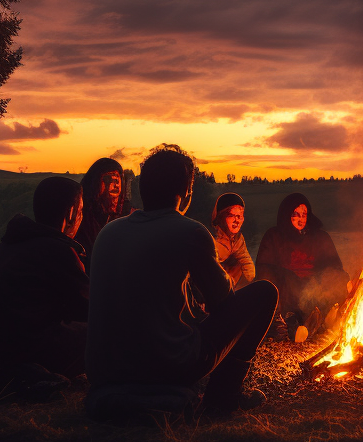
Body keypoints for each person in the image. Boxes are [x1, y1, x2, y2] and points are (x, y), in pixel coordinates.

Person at [86, 145, 278, 418]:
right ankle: (224, 397)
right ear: (186, 192)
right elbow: (223, 301)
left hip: (107, 370)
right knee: (265, 293)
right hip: (168, 366)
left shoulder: (109, 232)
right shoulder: (189, 231)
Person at [0, 176, 89, 395]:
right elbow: (89, 308)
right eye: (81, 210)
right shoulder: (58, 251)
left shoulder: (13, 243)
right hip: (25, 354)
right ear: (71, 213)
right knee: (107, 331)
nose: (82, 217)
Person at [256, 193, 348, 340]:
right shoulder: (274, 236)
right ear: (286, 215)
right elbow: (264, 268)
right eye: (296, 214)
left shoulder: (319, 237)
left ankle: (324, 321)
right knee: (270, 277)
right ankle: (278, 322)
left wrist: (328, 279)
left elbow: (335, 267)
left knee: (339, 277)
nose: (301, 219)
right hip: (287, 291)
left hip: (313, 291)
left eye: (304, 214)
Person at [74, 157, 131, 252]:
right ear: (95, 183)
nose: (115, 183)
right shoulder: (82, 215)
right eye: (108, 178)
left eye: (117, 178)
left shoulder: (128, 214)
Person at [212, 192, 255, 290]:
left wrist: (250, 282)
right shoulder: (213, 239)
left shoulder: (238, 239)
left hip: (232, 287)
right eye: (232, 215)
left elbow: (246, 261)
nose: (237, 220)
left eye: (240, 216)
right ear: (221, 217)